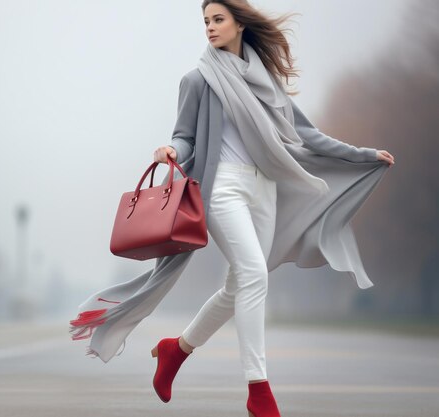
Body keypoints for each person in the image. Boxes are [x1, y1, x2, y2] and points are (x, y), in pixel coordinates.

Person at [70, 1, 394, 416]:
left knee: (238, 285)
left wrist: (362, 154)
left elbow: (307, 134)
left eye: (217, 19)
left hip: (264, 189)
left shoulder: (266, 81)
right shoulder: (198, 80)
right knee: (255, 274)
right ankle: (259, 390)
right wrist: (172, 149)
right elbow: (184, 135)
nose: (209, 27)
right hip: (221, 188)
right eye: (205, 21)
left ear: (239, 24)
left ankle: (176, 351)